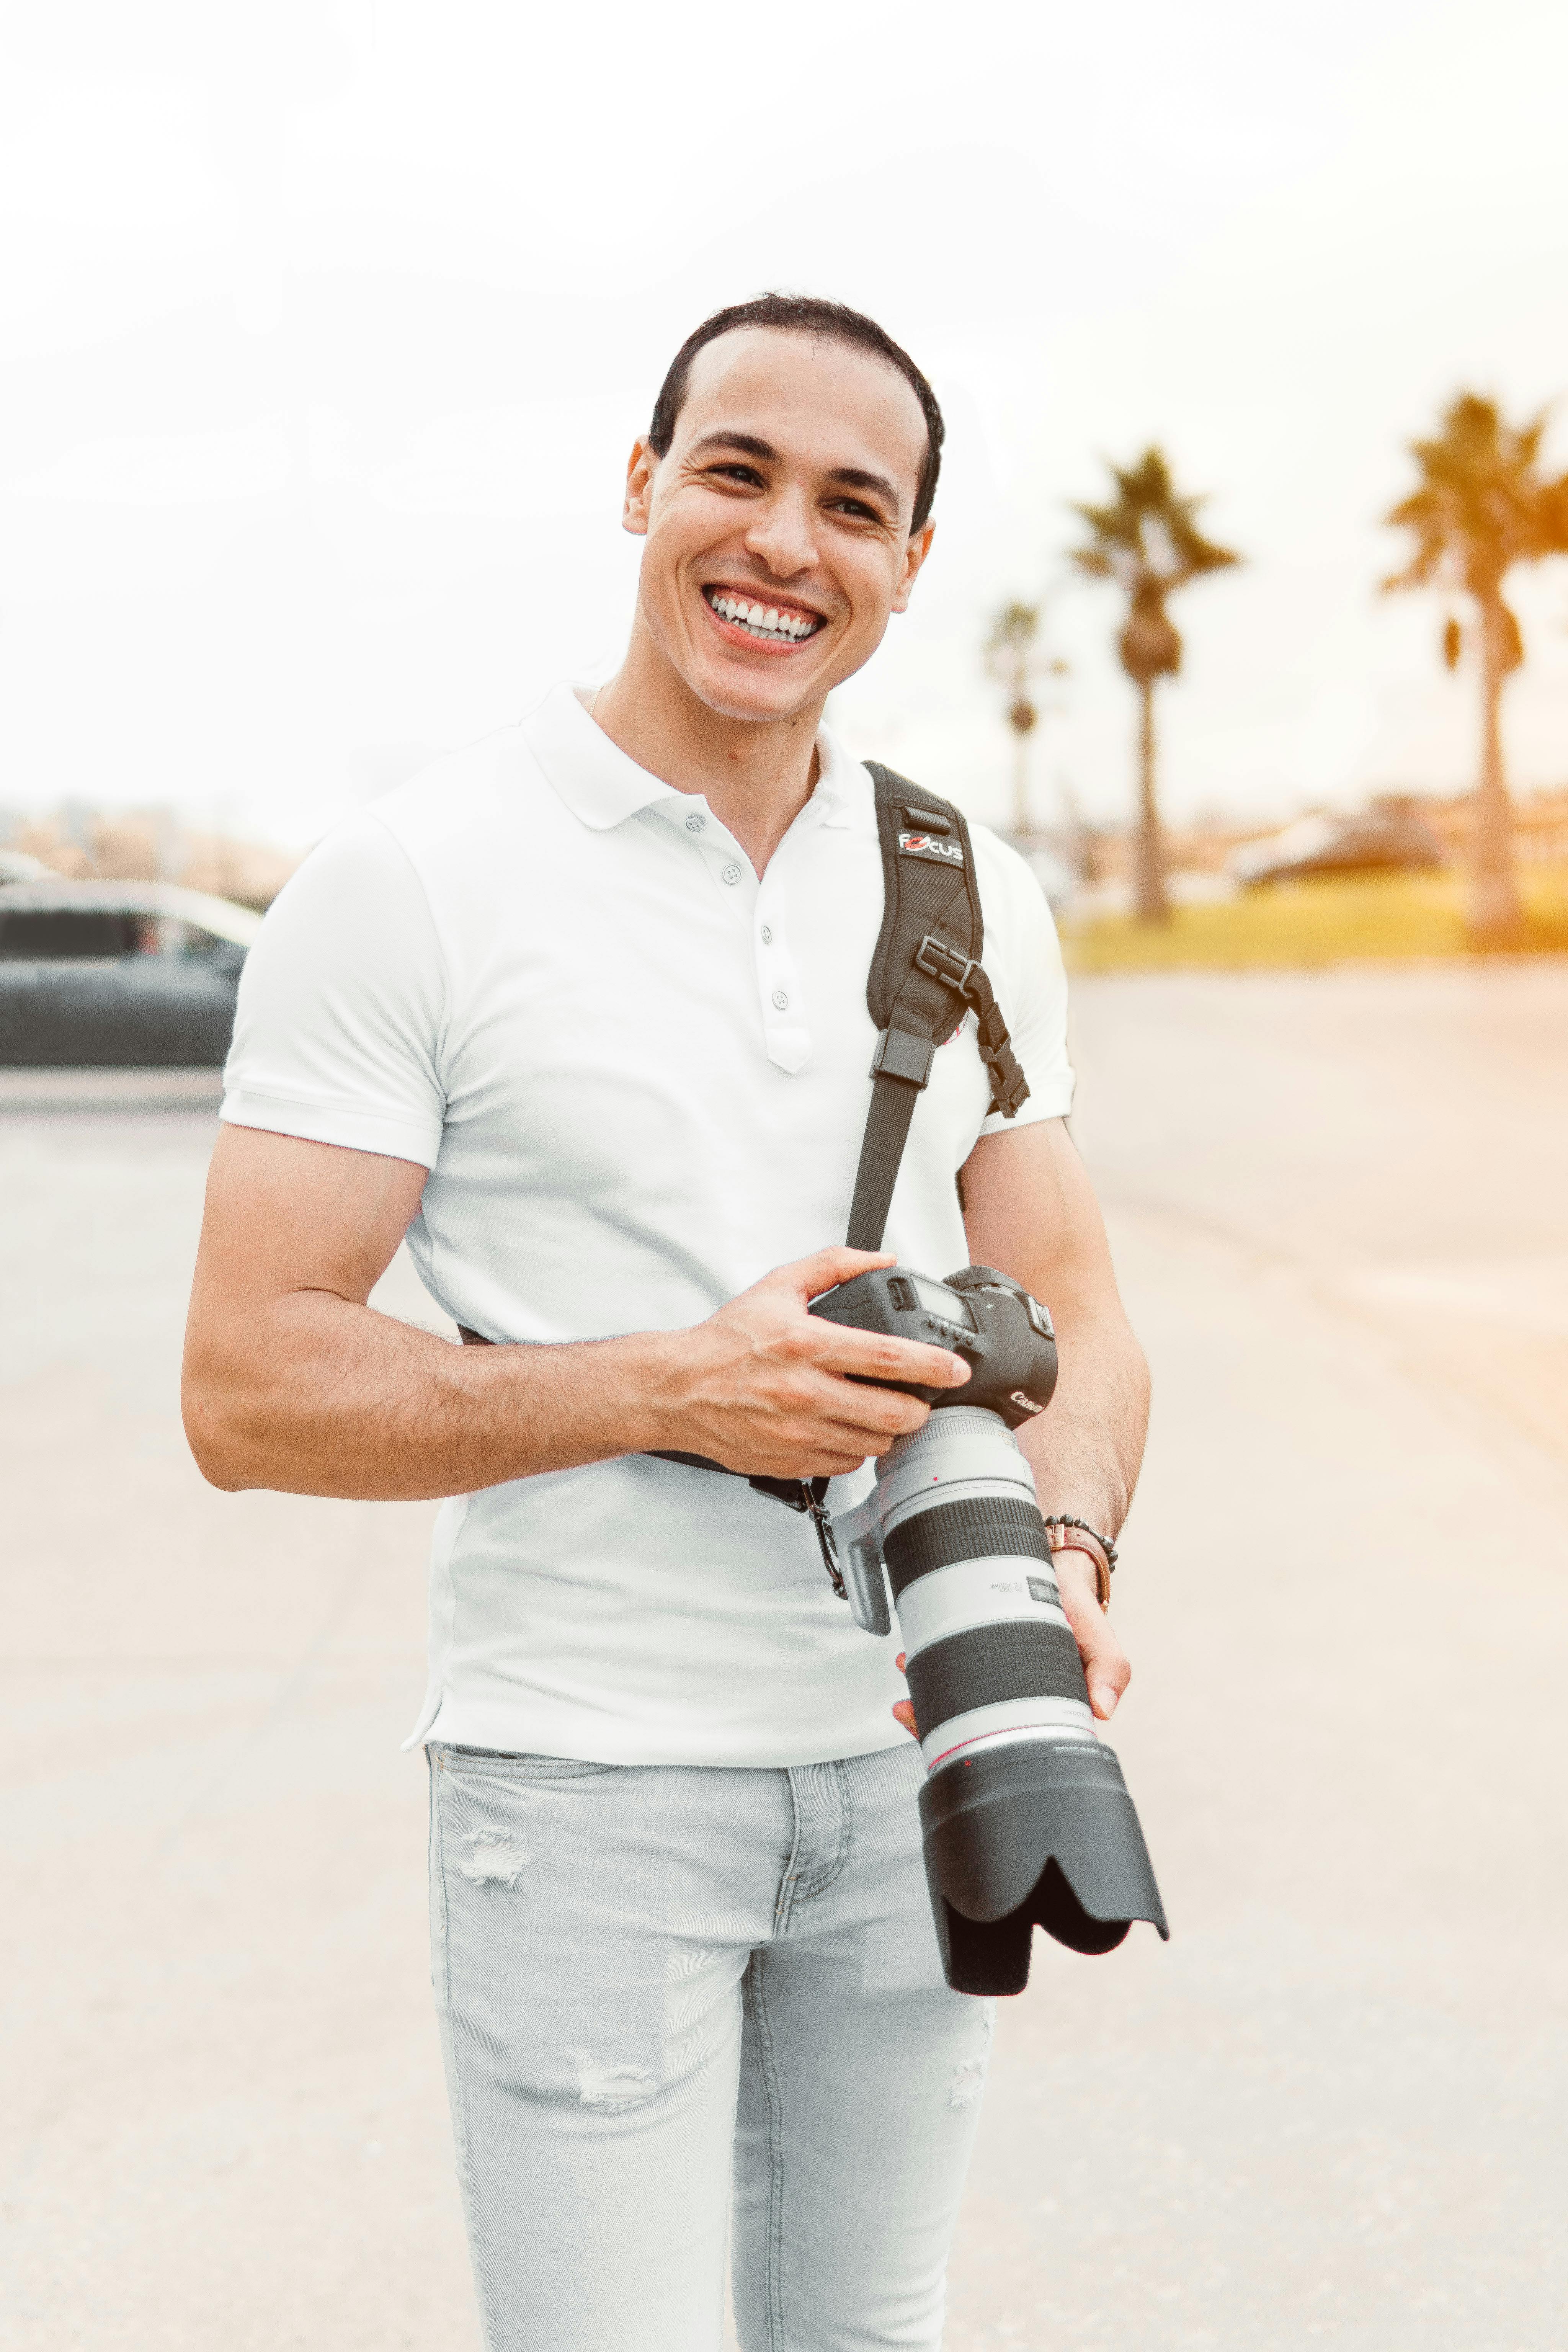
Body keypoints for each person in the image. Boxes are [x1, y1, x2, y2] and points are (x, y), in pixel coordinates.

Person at [182, 293, 1150, 2352]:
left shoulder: (968, 884)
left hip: (923, 1754)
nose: (786, 542)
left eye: (854, 506)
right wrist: (677, 1388)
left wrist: (1059, 1555)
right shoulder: (415, 878)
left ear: (910, 563)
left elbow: (1082, 1308)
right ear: (641, 485)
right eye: (737, 472)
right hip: (587, 1783)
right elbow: (248, 1380)